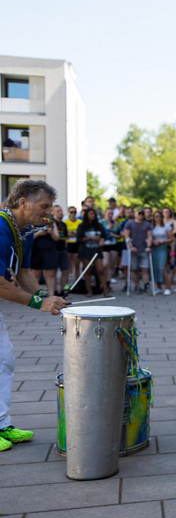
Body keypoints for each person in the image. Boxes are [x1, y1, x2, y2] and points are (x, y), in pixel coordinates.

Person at [0, 180, 67, 452]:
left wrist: (45, 298)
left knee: (4, 359)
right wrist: (36, 303)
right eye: (44, 206)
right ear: (22, 202)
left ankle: (2, 423)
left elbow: (24, 273)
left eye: (50, 207)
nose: (48, 213)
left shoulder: (23, 231)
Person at [77, 208, 109, 297]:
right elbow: (79, 239)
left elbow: (104, 236)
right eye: (91, 214)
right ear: (87, 215)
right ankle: (89, 290)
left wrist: (102, 240)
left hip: (97, 251)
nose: (93, 215)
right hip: (85, 252)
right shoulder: (82, 226)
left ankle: (105, 291)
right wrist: (91, 238)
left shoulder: (99, 225)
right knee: (87, 271)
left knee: (100, 270)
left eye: (94, 214)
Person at [29, 216, 60, 297]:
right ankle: (35, 295)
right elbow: (29, 237)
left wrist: (51, 232)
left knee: (50, 273)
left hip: (49, 250)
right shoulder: (32, 221)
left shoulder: (51, 222)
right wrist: (38, 233)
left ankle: (51, 294)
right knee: (35, 273)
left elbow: (57, 238)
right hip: (36, 250)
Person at [149, 211, 172, 295]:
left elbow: (171, 238)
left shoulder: (166, 226)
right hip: (154, 249)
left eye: (159, 216)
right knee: (155, 268)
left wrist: (161, 241)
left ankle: (168, 287)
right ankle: (159, 287)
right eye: (155, 216)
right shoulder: (151, 227)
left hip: (162, 248)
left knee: (162, 268)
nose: (157, 218)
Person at [103, 208, 123, 291]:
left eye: (112, 213)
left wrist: (115, 235)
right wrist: (108, 230)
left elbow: (119, 234)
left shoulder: (116, 223)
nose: (110, 215)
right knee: (105, 263)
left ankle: (108, 282)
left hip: (114, 245)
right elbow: (103, 232)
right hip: (105, 245)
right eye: (109, 213)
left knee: (111, 265)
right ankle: (103, 281)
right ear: (105, 213)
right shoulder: (101, 222)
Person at [52, 205, 70, 295]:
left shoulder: (64, 224)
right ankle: (55, 291)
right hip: (54, 250)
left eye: (61, 211)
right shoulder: (51, 223)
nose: (61, 213)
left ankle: (63, 290)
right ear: (53, 212)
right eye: (58, 211)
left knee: (65, 270)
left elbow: (66, 237)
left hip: (63, 249)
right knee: (54, 272)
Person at [64, 206, 81, 280]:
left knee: (77, 265)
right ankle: (66, 283)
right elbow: (65, 234)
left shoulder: (80, 222)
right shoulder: (65, 222)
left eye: (75, 212)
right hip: (68, 244)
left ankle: (77, 281)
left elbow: (80, 233)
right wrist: (73, 233)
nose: (73, 214)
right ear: (68, 213)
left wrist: (71, 233)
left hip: (77, 244)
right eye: (71, 212)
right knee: (68, 264)